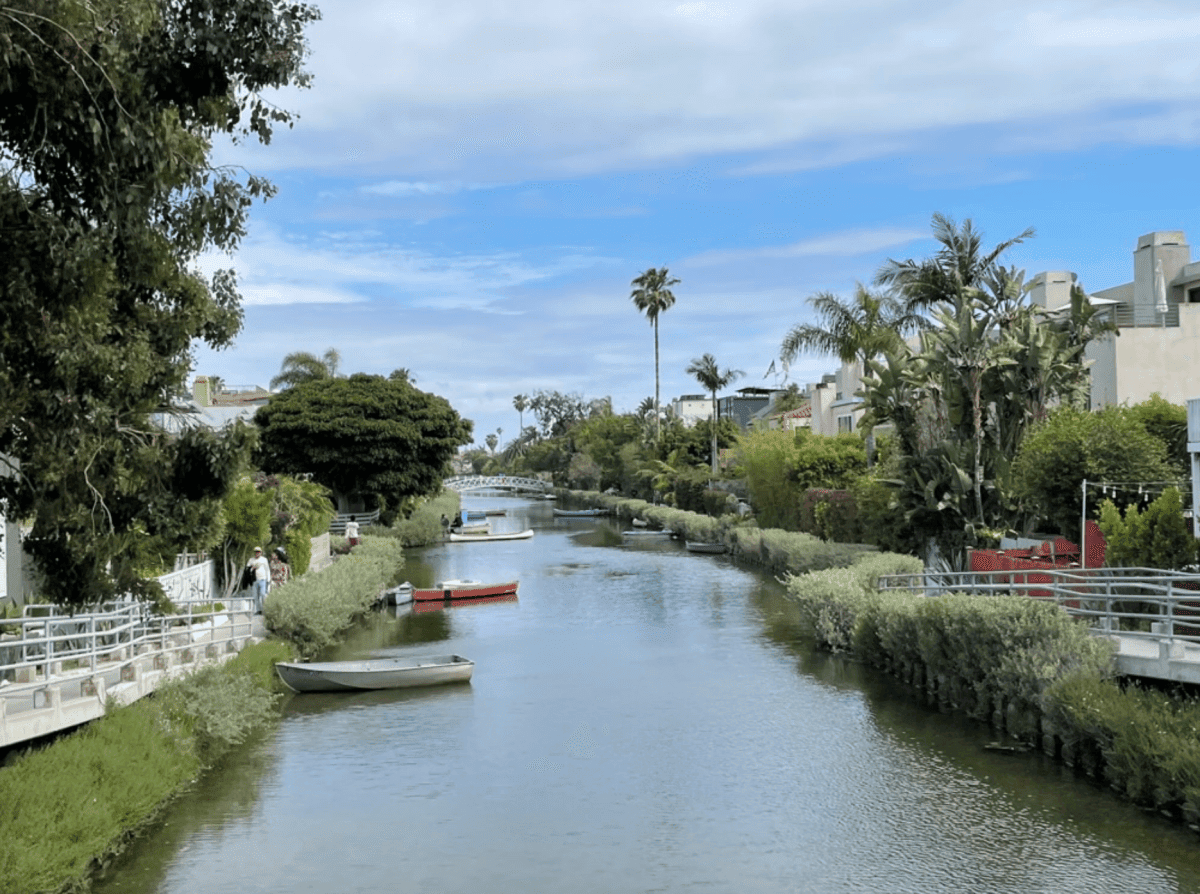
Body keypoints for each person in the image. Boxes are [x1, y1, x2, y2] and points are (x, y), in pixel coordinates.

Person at [246, 546, 271, 614]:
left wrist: (268, 579)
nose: (257, 553)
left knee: (263, 594)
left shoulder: (264, 559)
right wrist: (253, 568)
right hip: (254, 580)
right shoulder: (251, 560)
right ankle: (258, 610)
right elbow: (247, 570)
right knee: (255, 596)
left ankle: (265, 609)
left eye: (258, 552)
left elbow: (267, 569)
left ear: (261, 552)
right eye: (256, 552)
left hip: (263, 579)